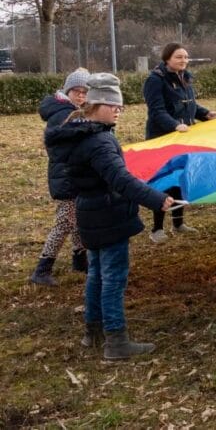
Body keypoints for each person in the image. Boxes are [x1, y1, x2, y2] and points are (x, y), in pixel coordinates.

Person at [44, 73, 174, 359]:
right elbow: (120, 180)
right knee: (114, 278)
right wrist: (157, 199)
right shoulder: (99, 142)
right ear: (95, 105)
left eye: (120, 106)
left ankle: (93, 333)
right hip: (108, 215)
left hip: (89, 213)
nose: (118, 111)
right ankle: (116, 341)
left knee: (96, 275)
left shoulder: (78, 132)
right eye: (113, 105)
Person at [143, 42, 216, 242]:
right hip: (163, 137)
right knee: (163, 182)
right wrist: (174, 125)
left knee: (180, 178)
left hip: (184, 136)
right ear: (167, 58)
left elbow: (190, 106)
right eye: (179, 57)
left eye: (186, 57)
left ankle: (178, 223)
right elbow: (157, 111)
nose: (183, 60)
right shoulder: (155, 80)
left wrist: (206, 114)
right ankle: (157, 228)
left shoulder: (185, 77)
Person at [29, 68, 91, 286]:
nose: (81, 96)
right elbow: (61, 144)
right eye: (77, 91)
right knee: (65, 221)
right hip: (65, 175)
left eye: (85, 92)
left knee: (77, 218)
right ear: (67, 91)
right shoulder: (62, 114)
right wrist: (86, 130)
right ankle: (42, 269)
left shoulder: (72, 110)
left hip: (71, 172)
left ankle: (79, 259)